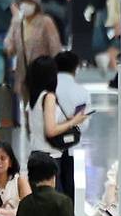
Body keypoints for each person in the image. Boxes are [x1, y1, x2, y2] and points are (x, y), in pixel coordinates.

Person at [26, 56, 87, 202]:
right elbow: (51, 130)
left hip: (36, 153)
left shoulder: (34, 98)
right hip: (50, 158)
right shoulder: (49, 97)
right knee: (54, 206)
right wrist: (73, 121)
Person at [4, 0, 61, 101]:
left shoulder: (45, 22)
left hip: (42, 73)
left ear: (37, 5)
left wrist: (55, 71)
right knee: (27, 107)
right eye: (24, 1)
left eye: (29, 2)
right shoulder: (17, 22)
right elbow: (9, 42)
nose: (26, 5)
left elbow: (55, 47)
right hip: (23, 74)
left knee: (41, 106)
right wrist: (8, 49)